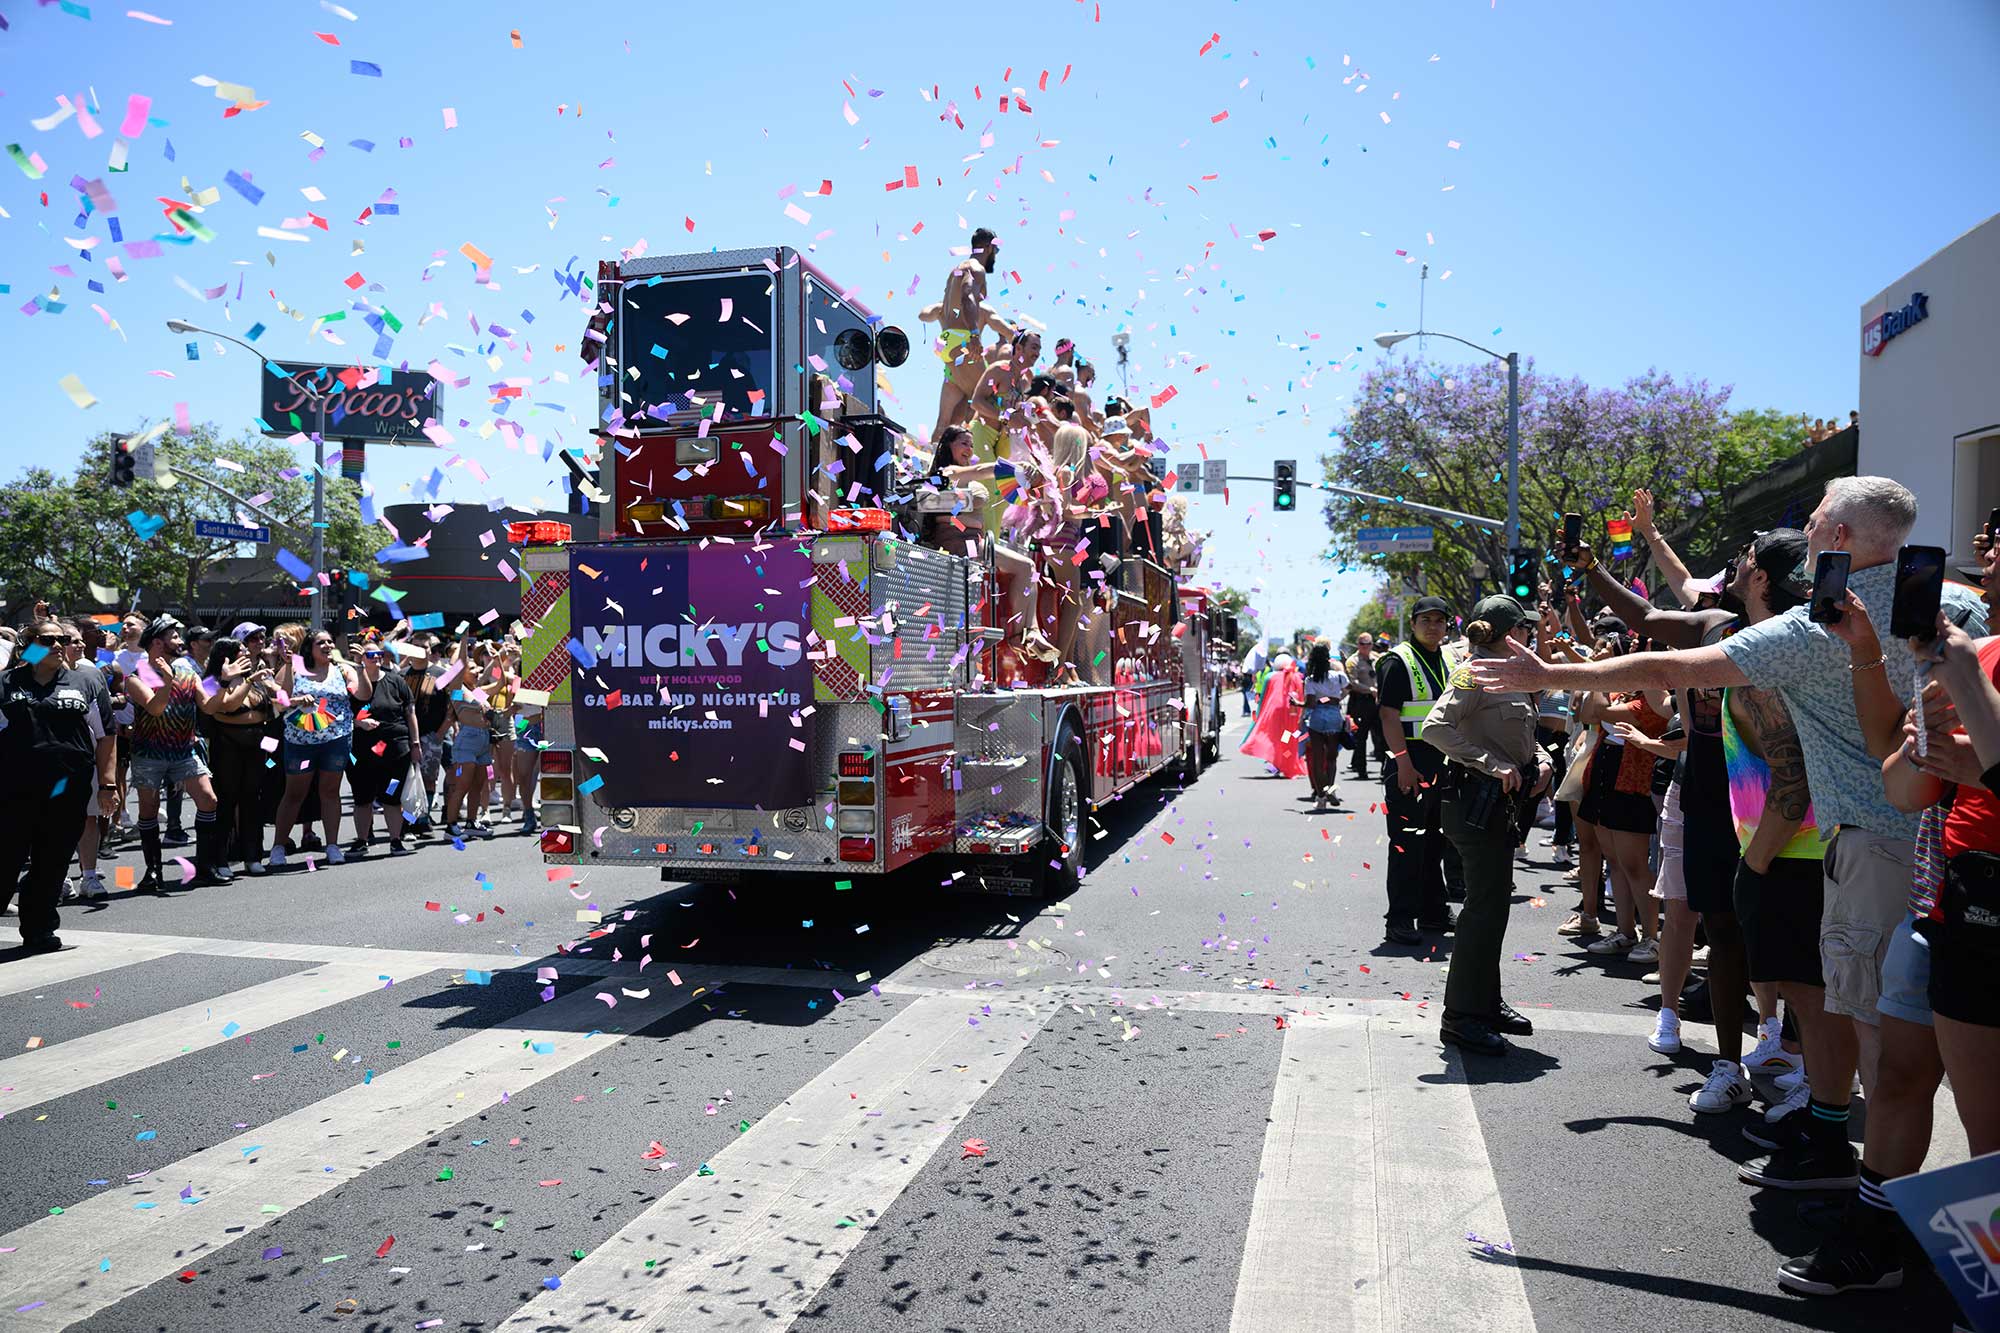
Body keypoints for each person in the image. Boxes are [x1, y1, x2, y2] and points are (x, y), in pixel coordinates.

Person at [1469, 477, 1988, 1295]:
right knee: (1931, 1065)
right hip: (1947, 853)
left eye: (1815, 516)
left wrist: (1546, 681)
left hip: (1882, 857)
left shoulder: (1816, 625)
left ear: (1843, 535)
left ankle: (1895, 1233)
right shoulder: (1955, 608)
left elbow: (1679, 660)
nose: (1805, 527)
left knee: (1895, 1055)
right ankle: (1900, 1224)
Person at [1421, 595, 1551, 1055]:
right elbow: (1435, 728)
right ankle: (1460, 1018)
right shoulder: (1472, 670)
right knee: (1482, 910)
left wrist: (1540, 758)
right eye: (1524, 628)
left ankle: (1485, 1003)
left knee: (1493, 909)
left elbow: (1523, 737)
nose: (1530, 635)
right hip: (1473, 803)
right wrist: (1490, 763)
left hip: (1502, 808)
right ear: (1506, 633)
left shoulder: (1515, 675)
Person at [0, 617, 116, 954]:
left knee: (52, 861)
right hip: (14, 789)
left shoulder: (84, 682)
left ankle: (39, 929)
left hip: (68, 788)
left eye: (61, 640)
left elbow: (106, 735)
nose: (56, 646)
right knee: (6, 859)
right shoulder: (6, 683)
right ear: (29, 647)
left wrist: (108, 784)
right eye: (47, 640)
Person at [1377, 595, 1466, 946]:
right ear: (1413, 624)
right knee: (1407, 844)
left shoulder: (1449, 657)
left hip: (1443, 762)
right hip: (1409, 762)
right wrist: (1403, 763)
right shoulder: (1398, 661)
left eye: (1439, 621)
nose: (1433, 626)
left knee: (1436, 842)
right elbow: (1388, 715)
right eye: (1426, 620)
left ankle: (1433, 911)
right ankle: (1399, 919)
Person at [123, 616, 229, 890]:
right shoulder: (136, 677)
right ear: (157, 642)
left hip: (184, 750)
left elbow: (208, 706)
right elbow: (155, 708)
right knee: (148, 810)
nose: (180, 641)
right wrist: (168, 681)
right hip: (149, 754)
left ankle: (205, 867)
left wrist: (223, 682)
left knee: (208, 799)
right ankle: (153, 871)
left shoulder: (190, 674)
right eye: (174, 637)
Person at [268, 628, 360, 868]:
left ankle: (332, 846)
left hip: (336, 740)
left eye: (331, 641)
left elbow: (361, 693)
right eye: (322, 642)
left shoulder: (341, 668)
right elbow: (280, 702)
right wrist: (288, 668)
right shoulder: (294, 667)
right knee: (294, 794)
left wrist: (362, 667)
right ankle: (278, 846)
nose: (328, 645)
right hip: (300, 743)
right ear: (310, 647)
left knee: (330, 792)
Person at [201, 634, 280, 878]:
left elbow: (279, 699)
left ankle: (253, 856)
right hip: (227, 743)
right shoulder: (212, 681)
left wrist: (283, 669)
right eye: (240, 651)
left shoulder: (254, 678)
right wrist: (239, 680)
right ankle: (221, 859)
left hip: (256, 742)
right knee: (226, 800)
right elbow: (228, 706)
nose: (246, 654)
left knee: (252, 800)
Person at [929, 227, 1009, 440]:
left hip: (948, 342)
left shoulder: (956, 270)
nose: (996, 257)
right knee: (984, 399)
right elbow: (967, 298)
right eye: (996, 251)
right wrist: (974, 334)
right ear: (990, 246)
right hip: (964, 341)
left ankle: (935, 468)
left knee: (950, 421)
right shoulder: (975, 268)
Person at [347, 636, 418, 856]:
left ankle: (395, 840)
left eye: (379, 654)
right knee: (363, 796)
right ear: (362, 659)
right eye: (370, 655)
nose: (376, 658)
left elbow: (410, 712)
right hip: (361, 751)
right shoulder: (352, 682)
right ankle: (361, 840)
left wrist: (415, 743)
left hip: (396, 749)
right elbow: (339, 714)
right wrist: (358, 723)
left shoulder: (396, 680)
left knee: (392, 796)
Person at [1294, 643, 1349, 811]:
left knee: (1318, 760)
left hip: (1317, 717)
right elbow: (1349, 688)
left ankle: (1321, 796)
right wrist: (1336, 698)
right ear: (1328, 660)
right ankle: (1331, 788)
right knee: (1332, 757)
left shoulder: (1310, 680)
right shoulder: (1338, 676)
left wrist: (1297, 703)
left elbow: (1310, 704)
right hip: (1334, 716)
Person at [1240, 651, 1306, 778]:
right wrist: (1301, 715)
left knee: (1273, 737)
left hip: (1274, 712)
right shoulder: (1296, 676)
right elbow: (1301, 697)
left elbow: (1264, 697)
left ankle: (1276, 764)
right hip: (1290, 713)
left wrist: (1260, 713)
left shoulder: (1270, 677)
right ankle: (1286, 764)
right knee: (1287, 739)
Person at [1344, 634, 1381, 778]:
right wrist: (1369, 689)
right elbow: (1352, 682)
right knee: (1361, 738)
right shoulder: (1352, 661)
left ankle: (1385, 770)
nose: (1366, 646)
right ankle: (1361, 769)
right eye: (1362, 644)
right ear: (1358, 644)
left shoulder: (1377, 658)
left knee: (1383, 737)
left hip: (1377, 702)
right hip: (1361, 702)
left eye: (1368, 644)